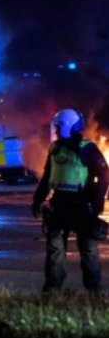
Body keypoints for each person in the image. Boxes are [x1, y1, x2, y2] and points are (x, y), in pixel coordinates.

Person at [32, 108, 109, 294]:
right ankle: (52, 290)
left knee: (88, 249)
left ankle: (95, 293)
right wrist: (38, 199)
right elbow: (47, 177)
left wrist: (96, 204)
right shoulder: (55, 148)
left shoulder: (87, 148)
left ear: (67, 127)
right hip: (59, 204)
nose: (55, 131)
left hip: (81, 205)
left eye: (58, 127)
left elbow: (104, 175)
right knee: (55, 250)